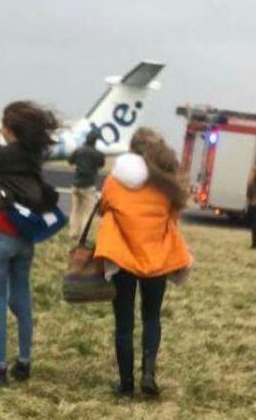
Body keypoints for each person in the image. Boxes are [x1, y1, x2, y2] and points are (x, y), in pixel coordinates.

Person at [0, 101, 59, 386]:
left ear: (9, 128)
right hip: (25, 237)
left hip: (0, 235)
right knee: (21, 299)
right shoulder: (32, 155)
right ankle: (24, 362)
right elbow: (7, 156)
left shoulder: (7, 155)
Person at [94, 127, 193, 397]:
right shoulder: (165, 183)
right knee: (151, 317)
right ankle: (148, 372)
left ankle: (125, 384)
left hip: (122, 258)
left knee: (124, 323)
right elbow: (173, 215)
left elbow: (103, 208)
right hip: (156, 259)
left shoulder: (116, 181)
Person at [68, 130, 105, 239]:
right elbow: (101, 165)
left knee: (75, 210)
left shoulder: (78, 151)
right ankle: (84, 234)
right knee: (88, 212)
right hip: (88, 186)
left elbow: (70, 161)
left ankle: (73, 232)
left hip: (76, 184)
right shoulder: (98, 154)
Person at [247, 164, 256, 249]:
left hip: (254, 202)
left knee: (254, 224)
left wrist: (250, 198)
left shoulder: (254, 170)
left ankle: (254, 243)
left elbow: (249, 185)